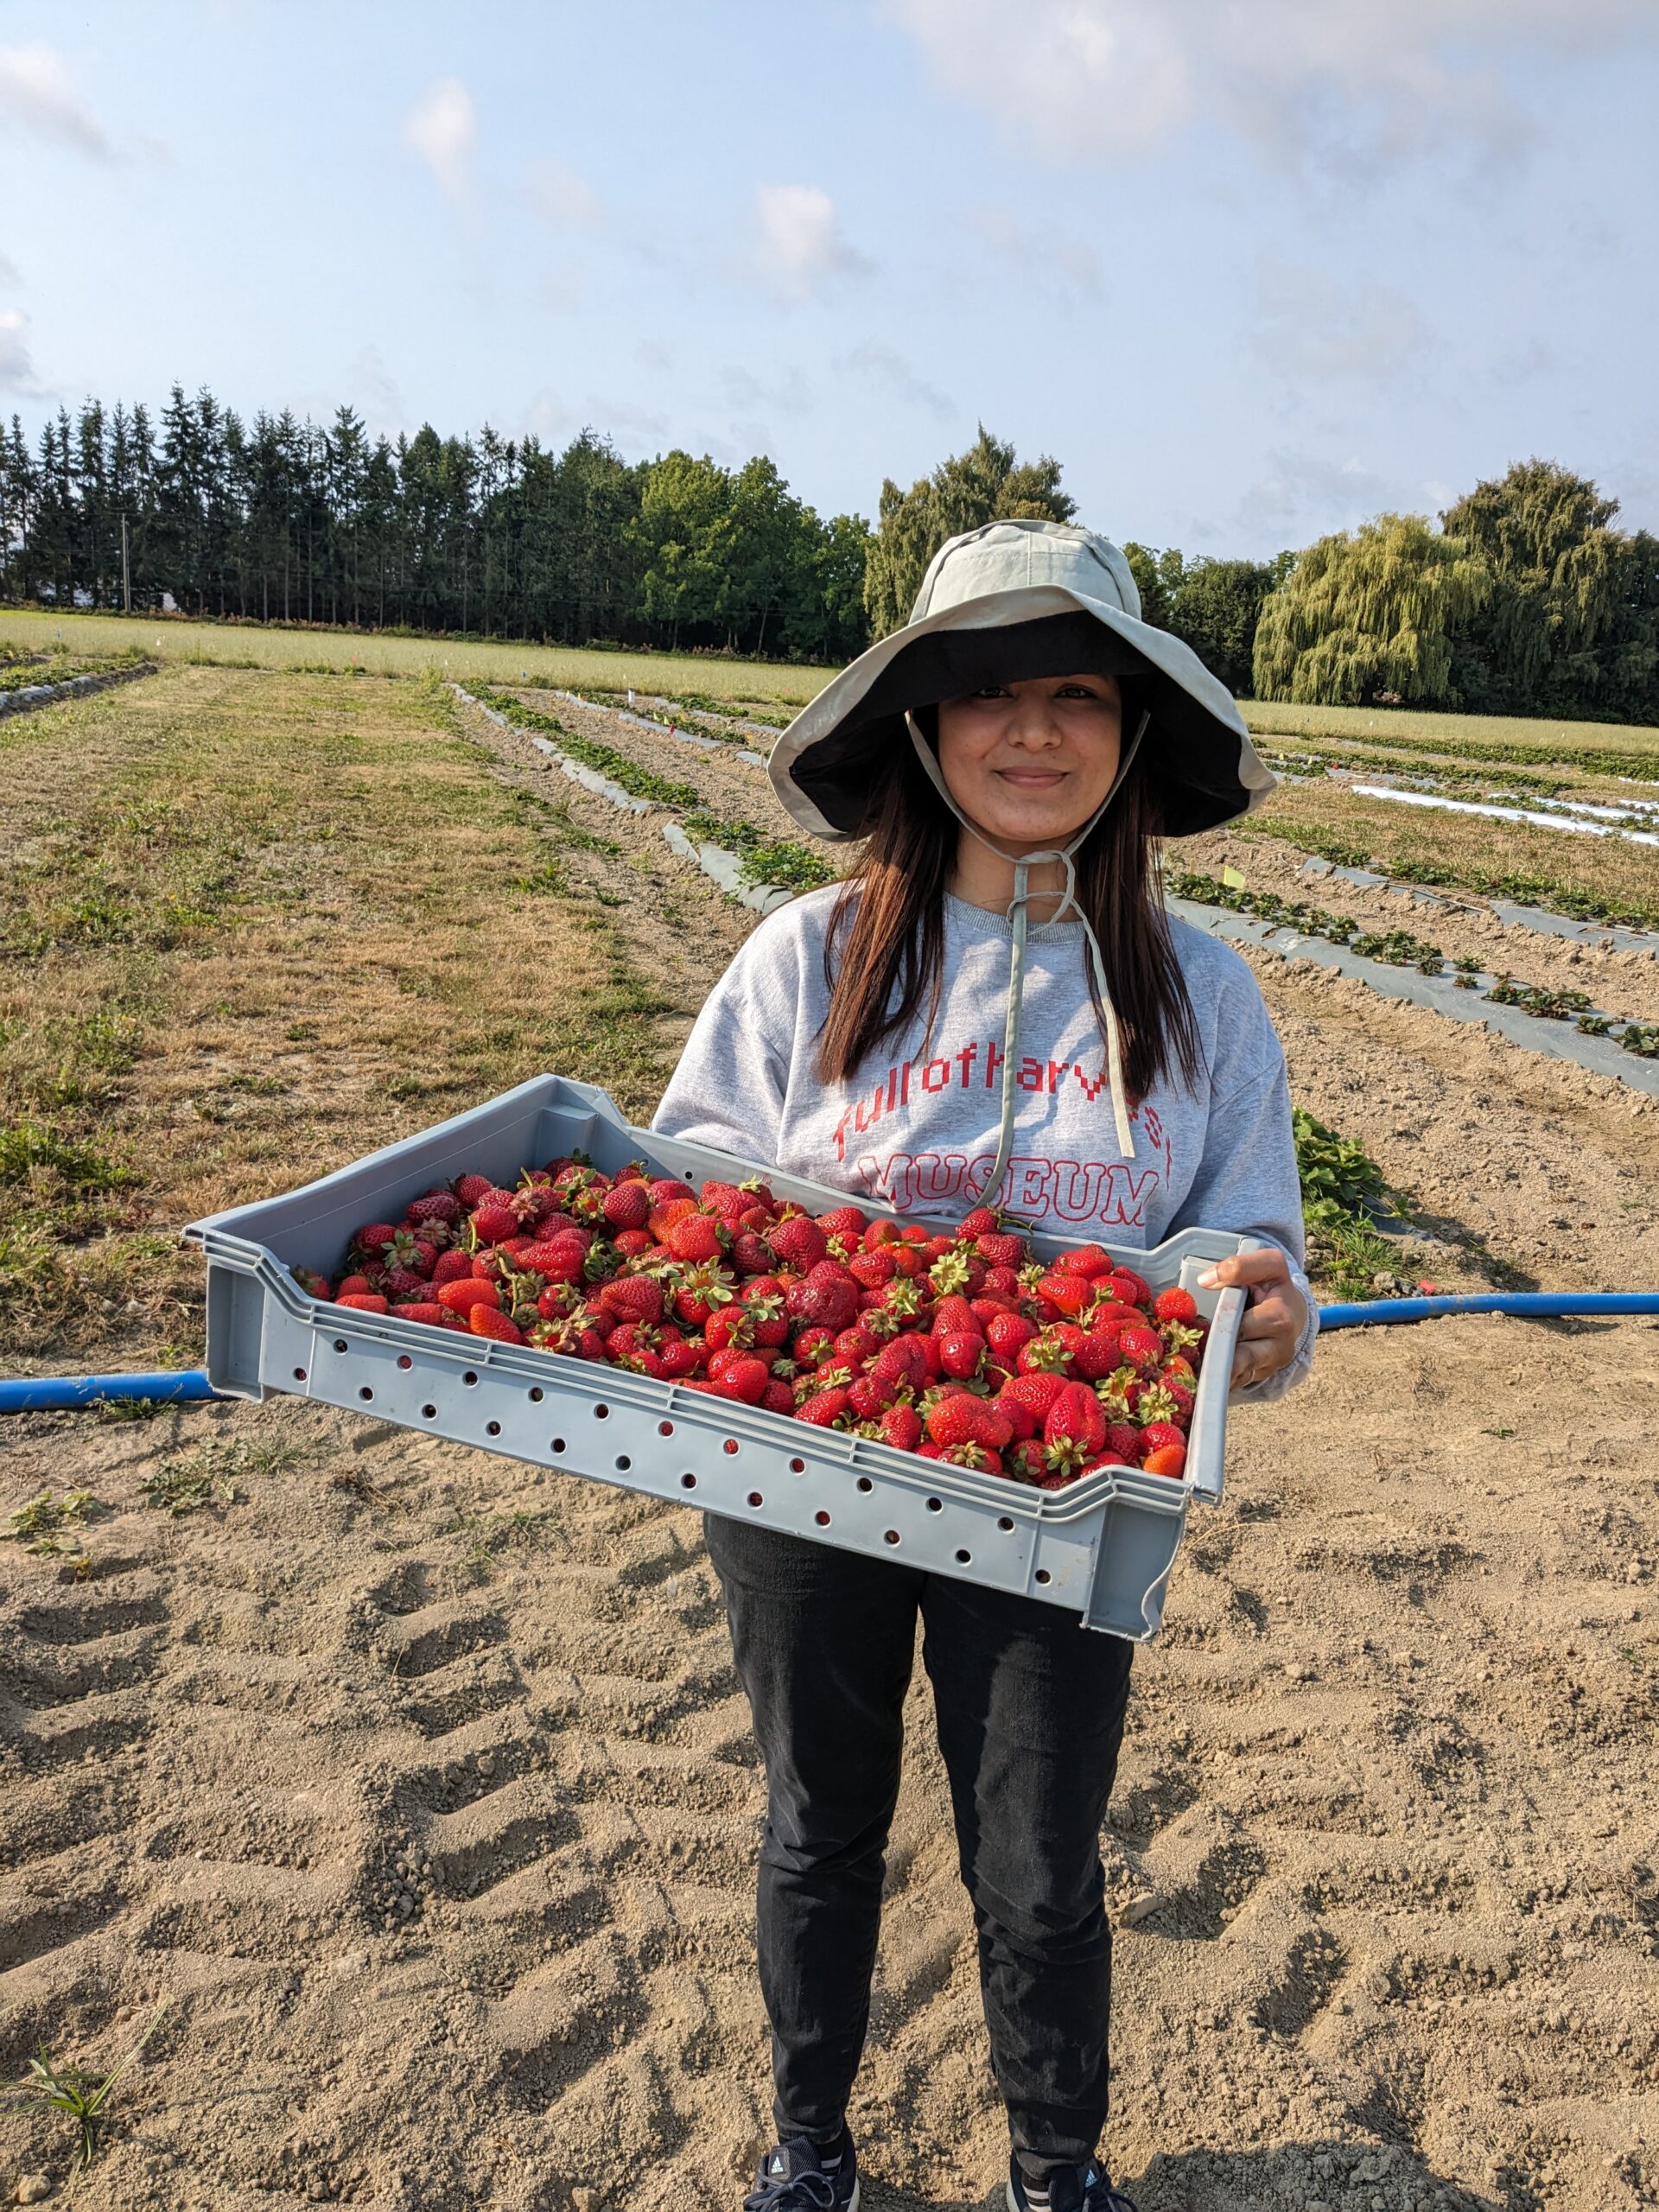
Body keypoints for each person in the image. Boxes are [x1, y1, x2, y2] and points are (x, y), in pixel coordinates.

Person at [652, 520, 1317, 2212]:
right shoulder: (809, 957)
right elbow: (687, 1186)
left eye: (1076, 693)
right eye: (989, 691)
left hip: (1068, 1491)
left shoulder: (1202, 996)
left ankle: (1056, 2166)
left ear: (1133, 731)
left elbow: (1254, 1243)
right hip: (803, 1464)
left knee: (1035, 1861)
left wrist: (1268, 1303)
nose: (1033, 730)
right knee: (819, 1820)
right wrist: (775, 1261)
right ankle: (810, 2151)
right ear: (927, 726)